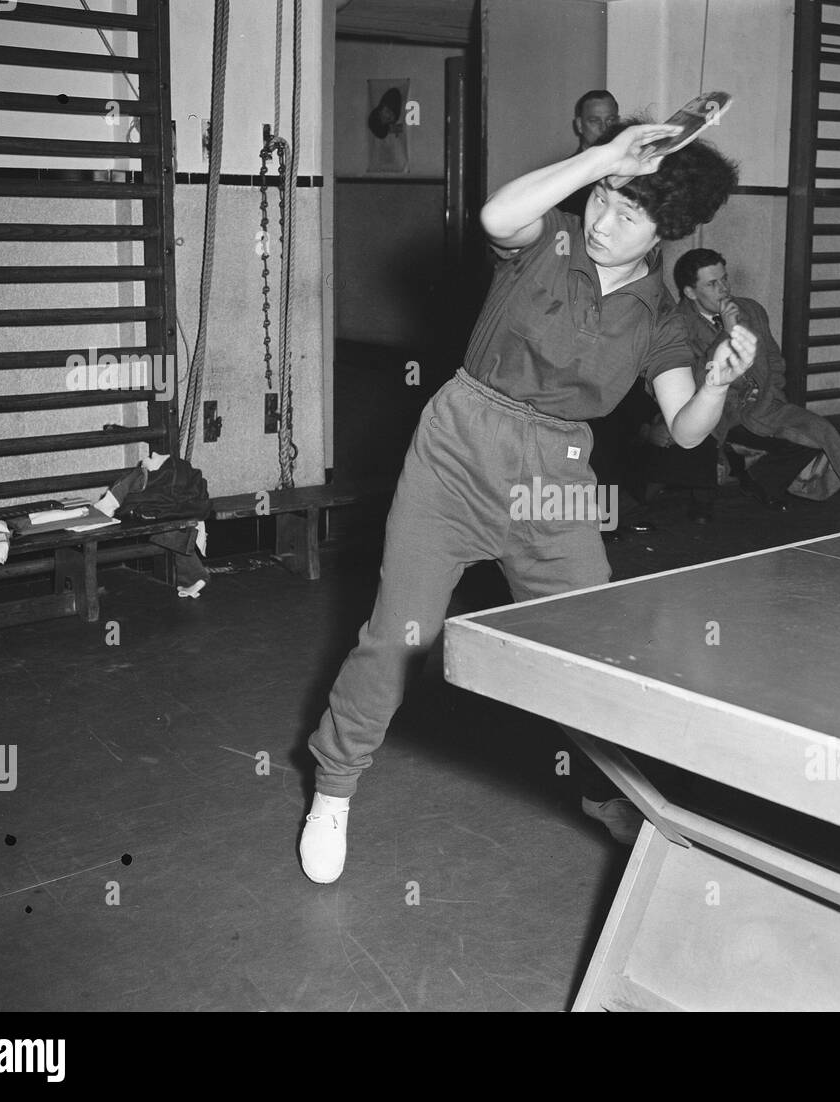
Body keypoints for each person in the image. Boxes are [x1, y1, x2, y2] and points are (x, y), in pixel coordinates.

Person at [299, 121, 749, 882]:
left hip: (557, 473)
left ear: (665, 232)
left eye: (629, 214)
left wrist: (716, 382)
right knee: (400, 633)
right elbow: (497, 217)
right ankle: (334, 787)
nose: (605, 220)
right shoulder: (554, 238)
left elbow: (685, 430)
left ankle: (614, 794)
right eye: (604, 197)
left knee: (591, 643)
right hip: (459, 443)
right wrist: (606, 158)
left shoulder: (662, 318)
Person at [669, 248, 840, 511]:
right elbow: (698, 378)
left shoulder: (751, 310)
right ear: (690, 292)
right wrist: (727, 331)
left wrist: (773, 394)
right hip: (716, 412)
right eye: (712, 284)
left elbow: (774, 360)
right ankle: (707, 500)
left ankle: (761, 480)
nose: (724, 289)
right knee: (705, 448)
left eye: (725, 279)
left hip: (762, 406)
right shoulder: (676, 326)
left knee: (817, 432)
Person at [558, 90, 619, 218]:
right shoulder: (564, 175)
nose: (604, 128)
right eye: (595, 121)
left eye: (611, 120)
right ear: (580, 125)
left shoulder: (631, 169)